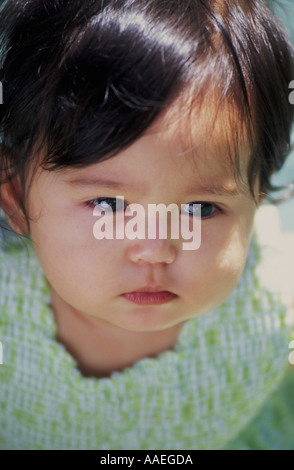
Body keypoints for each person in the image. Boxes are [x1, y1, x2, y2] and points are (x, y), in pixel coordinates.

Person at [0, 0, 293, 450]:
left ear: (257, 197)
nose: (155, 248)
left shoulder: (278, 302)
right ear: (17, 197)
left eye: (201, 209)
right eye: (108, 203)